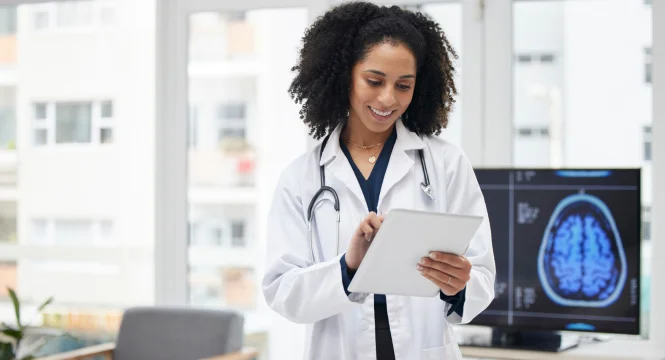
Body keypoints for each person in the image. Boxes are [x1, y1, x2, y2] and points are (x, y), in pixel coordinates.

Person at [261, 2, 495, 359]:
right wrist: (348, 266)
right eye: (374, 81)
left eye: (404, 86)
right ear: (344, 75)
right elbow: (283, 292)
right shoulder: (302, 178)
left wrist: (459, 285)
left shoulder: (445, 163)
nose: (388, 99)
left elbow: (482, 277)